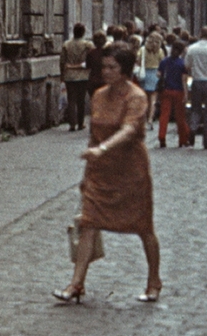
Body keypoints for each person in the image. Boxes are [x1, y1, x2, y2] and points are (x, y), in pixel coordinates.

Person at [54, 43, 161, 304]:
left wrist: (104, 148)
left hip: (129, 170)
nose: (106, 71)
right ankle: (76, 283)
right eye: (104, 67)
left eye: (112, 67)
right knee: (89, 222)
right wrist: (88, 171)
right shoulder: (99, 95)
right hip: (100, 171)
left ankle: (154, 280)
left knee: (143, 227)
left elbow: (129, 130)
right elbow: (94, 134)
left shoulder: (136, 96)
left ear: (125, 70)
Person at [184, 25, 207, 148]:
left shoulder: (192, 48)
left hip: (196, 81)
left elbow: (187, 65)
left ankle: (192, 130)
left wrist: (196, 69)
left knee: (195, 109)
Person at [156, 40, 190, 148]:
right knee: (180, 116)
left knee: (164, 115)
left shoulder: (164, 62)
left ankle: (162, 136)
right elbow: (184, 80)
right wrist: (186, 94)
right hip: (178, 91)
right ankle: (182, 139)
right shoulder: (182, 64)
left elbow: (158, 74)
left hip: (166, 90)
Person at [60, 22, 91, 131]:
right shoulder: (87, 45)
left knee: (71, 100)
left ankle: (72, 124)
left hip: (69, 75)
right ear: (83, 33)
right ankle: (80, 123)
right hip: (83, 75)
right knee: (81, 100)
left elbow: (62, 61)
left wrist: (62, 75)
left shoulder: (66, 44)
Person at [142, 23, 166, 126]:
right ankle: (150, 119)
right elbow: (163, 63)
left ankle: (144, 116)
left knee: (144, 98)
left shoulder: (142, 50)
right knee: (153, 99)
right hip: (155, 73)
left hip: (145, 73)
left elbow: (138, 61)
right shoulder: (160, 51)